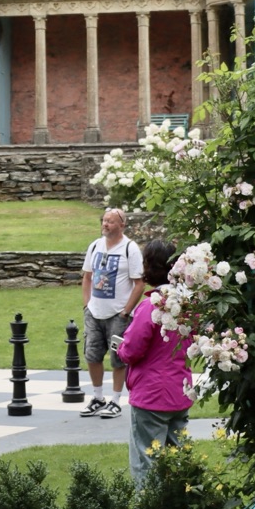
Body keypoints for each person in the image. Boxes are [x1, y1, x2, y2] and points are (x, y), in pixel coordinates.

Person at [113, 237, 190, 486]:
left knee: (147, 462)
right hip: (180, 390)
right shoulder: (187, 306)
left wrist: (121, 348)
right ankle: (177, 508)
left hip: (152, 393)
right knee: (178, 460)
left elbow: (133, 350)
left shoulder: (150, 307)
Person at [79, 207, 144, 418]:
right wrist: (87, 305)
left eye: (111, 221)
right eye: (104, 220)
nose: (105, 224)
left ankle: (116, 400)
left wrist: (126, 311)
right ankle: (98, 397)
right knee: (92, 354)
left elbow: (139, 284)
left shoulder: (130, 249)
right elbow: (87, 277)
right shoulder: (95, 246)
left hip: (118, 315)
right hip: (94, 312)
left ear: (121, 225)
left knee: (118, 358)